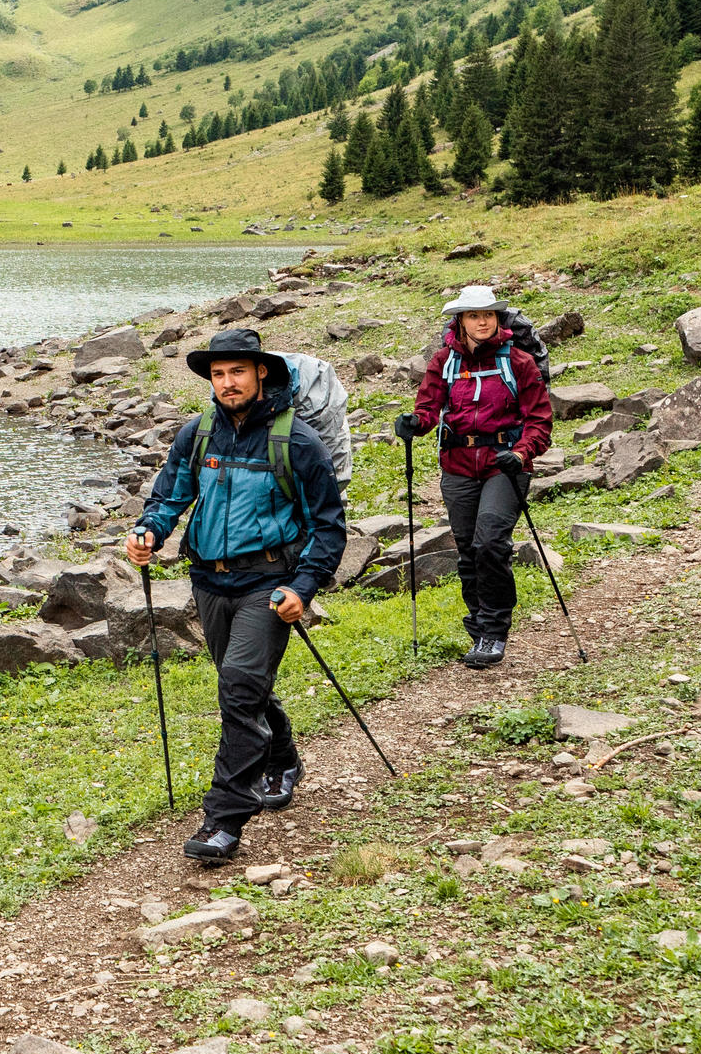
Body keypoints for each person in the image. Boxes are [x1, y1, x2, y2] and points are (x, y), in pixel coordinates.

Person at [123, 327, 348, 865]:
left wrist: (304, 585)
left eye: (237, 372)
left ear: (260, 372)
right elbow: (169, 496)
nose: (227, 383)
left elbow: (329, 526)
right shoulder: (196, 434)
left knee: (239, 691)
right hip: (209, 580)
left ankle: (223, 821)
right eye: (218, 374)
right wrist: (149, 531)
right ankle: (283, 758)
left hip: (268, 584)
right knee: (241, 682)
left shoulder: (296, 441)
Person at [394, 283, 553, 669]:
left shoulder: (519, 362)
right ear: (460, 321)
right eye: (473, 315)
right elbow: (429, 410)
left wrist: (521, 452)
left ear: (498, 318)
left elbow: (540, 423)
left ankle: (494, 631)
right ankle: (479, 628)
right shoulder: (443, 362)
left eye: (488, 315)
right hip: (458, 465)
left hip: (506, 465)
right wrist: (415, 423)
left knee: (490, 543)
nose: (482, 322)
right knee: (468, 550)